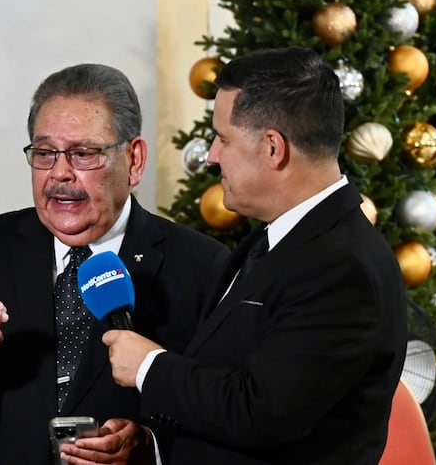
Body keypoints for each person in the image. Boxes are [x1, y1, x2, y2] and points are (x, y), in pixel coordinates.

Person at [0, 63, 231, 464]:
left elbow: (225, 419)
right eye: (45, 153)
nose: (60, 174)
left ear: (134, 160)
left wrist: (151, 446)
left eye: (84, 154)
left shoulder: (201, 265)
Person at [102, 47, 407, 465]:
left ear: (272, 148)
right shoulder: (274, 240)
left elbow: (263, 413)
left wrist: (148, 367)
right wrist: (151, 446)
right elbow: (229, 389)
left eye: (223, 138)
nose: (212, 155)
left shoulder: (342, 266)